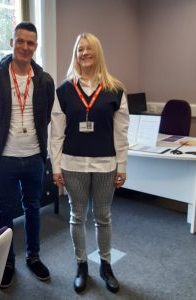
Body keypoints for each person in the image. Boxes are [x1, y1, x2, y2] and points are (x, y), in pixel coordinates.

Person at [50, 33, 129, 293]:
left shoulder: (115, 89)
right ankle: (81, 264)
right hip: (73, 165)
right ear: (76, 54)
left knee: (103, 217)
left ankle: (105, 265)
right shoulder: (63, 90)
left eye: (89, 49)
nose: (84, 53)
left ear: (98, 52)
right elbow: (57, 133)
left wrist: (122, 165)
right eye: (79, 49)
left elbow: (121, 133)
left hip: (106, 165)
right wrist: (56, 167)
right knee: (76, 215)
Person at [0, 22, 55, 289]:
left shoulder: (44, 81)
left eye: (30, 43)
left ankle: (33, 256)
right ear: (12, 43)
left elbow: (45, 116)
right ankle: (7, 261)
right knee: (6, 211)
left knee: (33, 207)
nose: (25, 47)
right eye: (20, 41)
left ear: (36, 46)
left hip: (34, 157)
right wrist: (0, 138)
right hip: (5, 159)